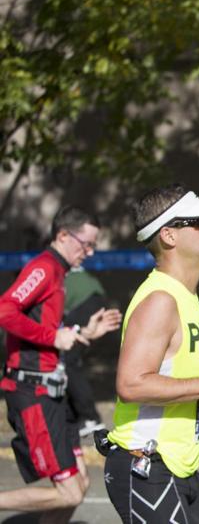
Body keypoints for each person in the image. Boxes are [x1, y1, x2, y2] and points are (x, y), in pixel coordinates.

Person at [98, 184, 199, 524]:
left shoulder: (185, 296)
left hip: (178, 467)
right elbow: (131, 384)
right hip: (146, 467)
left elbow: (167, 372)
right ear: (168, 235)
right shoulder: (160, 300)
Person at [0, 206, 121, 524]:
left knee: (80, 484)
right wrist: (53, 336)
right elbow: (5, 310)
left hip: (54, 393)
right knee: (69, 492)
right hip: (33, 393)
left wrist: (83, 333)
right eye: (87, 244)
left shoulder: (59, 272)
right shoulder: (43, 268)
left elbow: (51, 332)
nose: (90, 252)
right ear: (64, 235)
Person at [62, 267, 114, 437]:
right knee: (69, 361)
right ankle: (83, 417)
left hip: (84, 303)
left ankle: (89, 417)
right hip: (93, 299)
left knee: (67, 362)